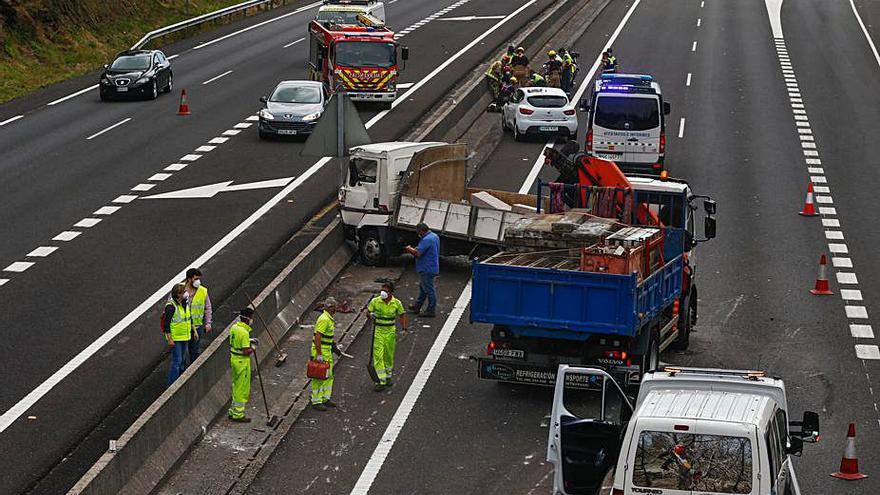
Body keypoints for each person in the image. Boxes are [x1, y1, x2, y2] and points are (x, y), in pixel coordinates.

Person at [367, 282, 407, 391]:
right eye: (382, 290)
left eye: (386, 291)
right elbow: (368, 312)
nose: (383, 293)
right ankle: (381, 380)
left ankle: (388, 376)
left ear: (391, 292)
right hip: (378, 332)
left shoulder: (396, 303)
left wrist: (404, 329)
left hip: (390, 333)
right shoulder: (375, 301)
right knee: (378, 356)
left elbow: (402, 314)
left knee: (388, 355)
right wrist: (370, 315)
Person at [311, 297, 341, 411]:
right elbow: (318, 336)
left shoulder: (328, 318)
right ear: (332, 308)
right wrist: (319, 354)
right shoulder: (324, 319)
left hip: (326, 350)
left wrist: (333, 346)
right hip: (321, 351)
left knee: (328, 375)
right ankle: (316, 401)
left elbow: (325, 336)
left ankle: (325, 398)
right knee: (319, 376)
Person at [405, 223, 440, 317]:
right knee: (423, 288)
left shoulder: (426, 240)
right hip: (432, 266)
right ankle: (417, 306)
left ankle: (431, 310)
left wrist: (409, 249)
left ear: (421, 231)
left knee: (429, 289)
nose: (418, 234)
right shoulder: (434, 236)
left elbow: (417, 253)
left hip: (426, 268)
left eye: (418, 232)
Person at [228, 308, 255, 423]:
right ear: (248, 318)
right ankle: (238, 414)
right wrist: (253, 347)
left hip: (234, 359)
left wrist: (249, 340)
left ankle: (233, 410)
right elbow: (245, 351)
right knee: (242, 388)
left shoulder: (234, 327)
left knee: (235, 385)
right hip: (242, 362)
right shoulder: (244, 333)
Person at [164, 283, 193, 387]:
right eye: (183, 292)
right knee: (177, 361)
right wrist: (170, 339)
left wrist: (192, 330)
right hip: (176, 338)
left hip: (185, 336)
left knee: (182, 360)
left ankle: (180, 381)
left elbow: (189, 318)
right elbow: (166, 324)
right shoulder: (171, 307)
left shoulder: (185, 303)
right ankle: (172, 385)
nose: (186, 293)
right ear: (178, 294)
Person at [184, 268, 212, 363]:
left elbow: (208, 308)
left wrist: (208, 323)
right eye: (195, 279)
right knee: (181, 355)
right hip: (183, 328)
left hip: (197, 327)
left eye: (199, 279)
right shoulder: (179, 290)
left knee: (195, 352)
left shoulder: (203, 291)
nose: (198, 281)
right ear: (189, 279)